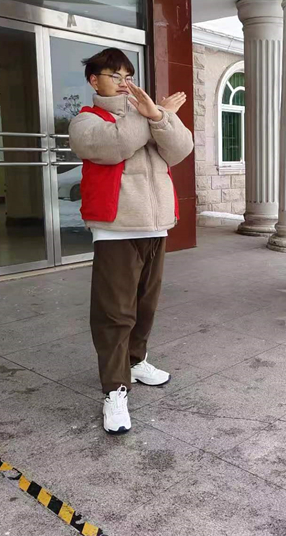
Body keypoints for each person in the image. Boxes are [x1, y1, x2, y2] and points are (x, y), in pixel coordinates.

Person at [69, 48, 193, 435]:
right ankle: (114, 389)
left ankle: (136, 362)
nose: (124, 83)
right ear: (94, 80)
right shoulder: (87, 121)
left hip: (155, 227)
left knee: (145, 306)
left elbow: (181, 149)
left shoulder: (146, 114)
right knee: (114, 313)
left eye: (128, 76)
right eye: (114, 76)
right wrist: (153, 114)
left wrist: (159, 117)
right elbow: (116, 145)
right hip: (117, 229)